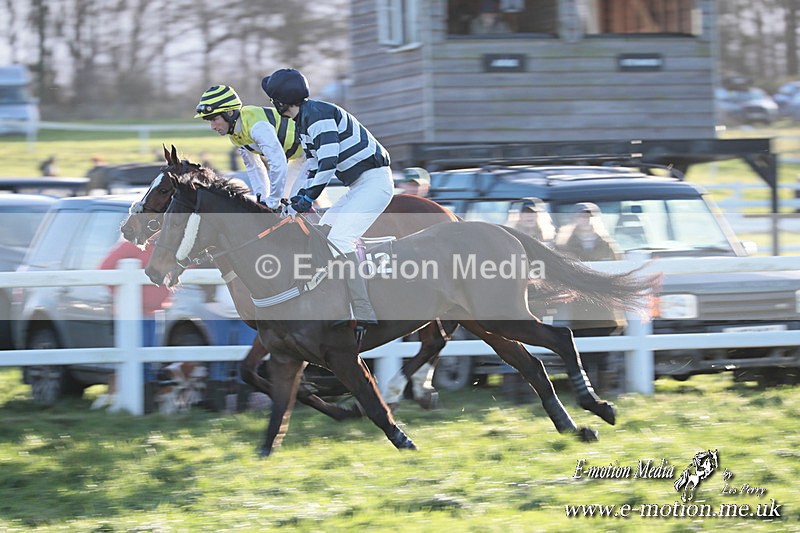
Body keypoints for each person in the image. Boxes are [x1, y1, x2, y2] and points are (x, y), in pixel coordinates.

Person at [262, 67, 394, 327]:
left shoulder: (318, 115)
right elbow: (312, 166)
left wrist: (307, 199)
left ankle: (362, 310)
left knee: (340, 238)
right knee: (324, 232)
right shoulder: (304, 122)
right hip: (359, 185)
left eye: (272, 99)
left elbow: (328, 163)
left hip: (375, 183)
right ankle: (335, 300)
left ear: (280, 101)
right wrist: (297, 199)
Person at [194, 85, 304, 209]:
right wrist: (262, 199)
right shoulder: (235, 135)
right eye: (209, 121)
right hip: (297, 157)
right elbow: (254, 167)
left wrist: (273, 201)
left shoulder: (257, 127)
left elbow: (278, 164)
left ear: (229, 113)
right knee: (278, 204)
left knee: (287, 201)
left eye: (214, 119)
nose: (212, 127)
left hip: (309, 154)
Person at [93, 240, 172, 409]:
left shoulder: (166, 247)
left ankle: (147, 403)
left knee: (150, 361)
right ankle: (136, 404)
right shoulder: (131, 246)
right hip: (131, 316)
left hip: (154, 314)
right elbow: (104, 269)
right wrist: (124, 294)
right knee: (135, 361)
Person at [555, 202, 625, 393]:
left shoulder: (608, 245)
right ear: (575, 219)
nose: (585, 220)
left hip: (605, 310)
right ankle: (584, 393)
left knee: (603, 356)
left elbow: (616, 273)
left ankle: (602, 391)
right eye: (581, 216)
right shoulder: (565, 245)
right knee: (582, 355)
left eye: (589, 216)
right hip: (579, 309)